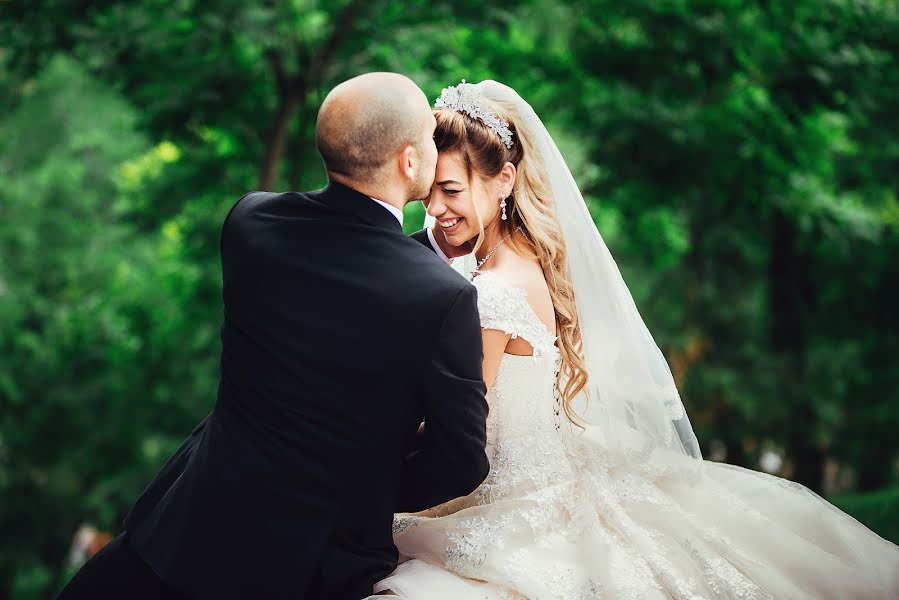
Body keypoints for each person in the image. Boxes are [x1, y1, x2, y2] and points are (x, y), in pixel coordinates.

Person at [369, 80, 899, 599]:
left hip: (506, 502)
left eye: (451, 190)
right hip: (552, 476)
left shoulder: (491, 294)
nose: (434, 209)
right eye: (430, 191)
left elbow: (456, 430)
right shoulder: (525, 262)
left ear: (504, 180)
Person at [58, 72, 490, 600]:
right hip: (308, 567)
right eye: (427, 135)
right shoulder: (439, 296)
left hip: (188, 531)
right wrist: (365, 491)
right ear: (407, 160)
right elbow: (462, 461)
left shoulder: (251, 225)